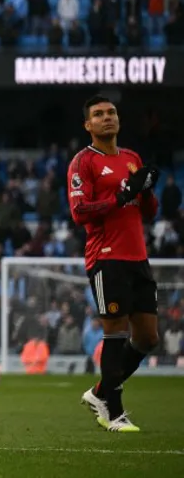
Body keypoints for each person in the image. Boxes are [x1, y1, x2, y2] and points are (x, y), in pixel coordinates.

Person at [70, 95, 161, 433]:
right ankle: (113, 412)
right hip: (106, 257)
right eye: (98, 114)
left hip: (138, 257)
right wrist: (122, 195)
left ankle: (99, 393)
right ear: (88, 125)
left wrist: (146, 190)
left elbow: (148, 213)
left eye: (111, 112)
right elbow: (80, 211)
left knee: (148, 338)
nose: (106, 117)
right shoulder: (83, 162)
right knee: (116, 333)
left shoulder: (132, 158)